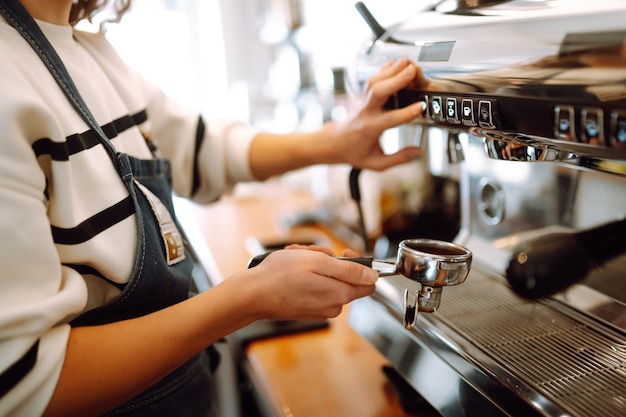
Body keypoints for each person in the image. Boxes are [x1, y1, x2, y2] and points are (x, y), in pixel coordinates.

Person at [0, 0, 427, 416]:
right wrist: (250, 296)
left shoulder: (91, 55)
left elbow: (203, 150)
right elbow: (26, 385)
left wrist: (337, 142)